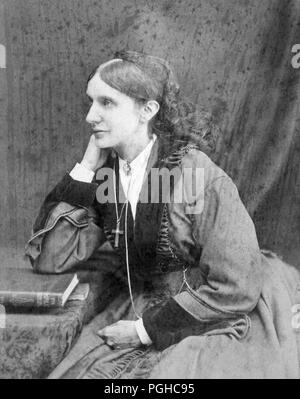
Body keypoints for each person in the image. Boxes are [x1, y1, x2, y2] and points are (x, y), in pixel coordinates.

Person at [25, 50, 300, 379]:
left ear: (148, 110)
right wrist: (85, 168)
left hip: (215, 306)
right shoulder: (107, 175)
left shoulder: (197, 176)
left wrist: (143, 331)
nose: (90, 117)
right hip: (141, 302)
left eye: (106, 103)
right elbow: (51, 258)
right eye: (91, 102)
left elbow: (236, 286)